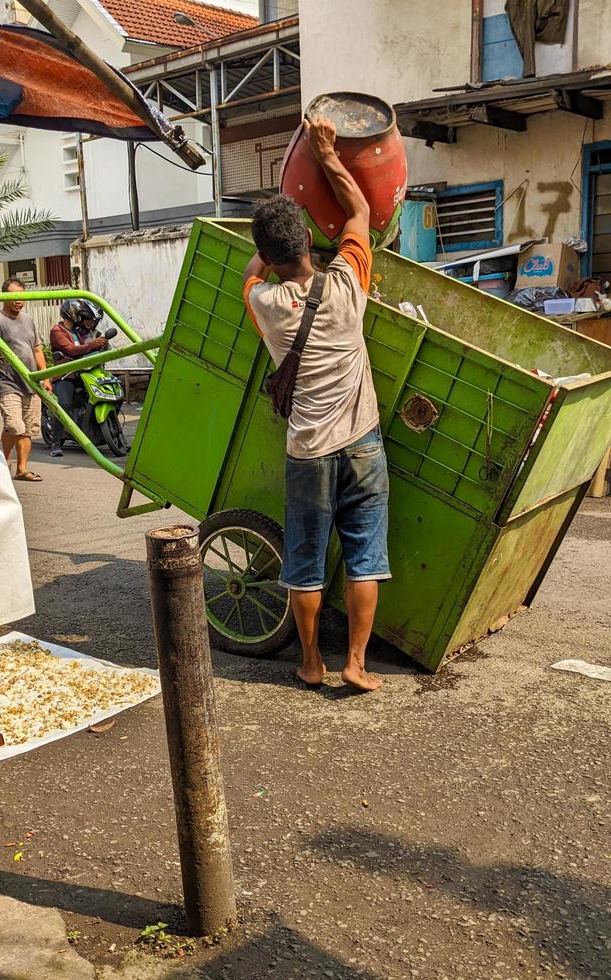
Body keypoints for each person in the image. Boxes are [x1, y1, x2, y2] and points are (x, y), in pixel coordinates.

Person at [242, 116, 389, 694]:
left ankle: (310, 661)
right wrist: (328, 155)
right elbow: (359, 215)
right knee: (365, 557)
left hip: (308, 451)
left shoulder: (266, 304)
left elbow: (250, 275)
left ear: (268, 254)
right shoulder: (349, 282)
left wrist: (265, 250)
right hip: (363, 442)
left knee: (305, 562)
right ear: (308, 241)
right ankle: (355, 662)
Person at [0, 278, 51, 482]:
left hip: (30, 382)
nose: (18, 301)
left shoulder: (28, 320)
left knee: (28, 429)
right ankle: (4, 459)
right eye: (13, 297)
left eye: (21, 297)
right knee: (14, 426)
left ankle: (22, 469)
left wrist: (44, 377)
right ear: (4, 296)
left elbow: (37, 349)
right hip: (7, 381)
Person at [47, 299, 109, 457]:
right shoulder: (57, 331)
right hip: (65, 376)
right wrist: (93, 345)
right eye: (78, 313)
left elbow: (85, 347)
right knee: (64, 404)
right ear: (70, 313)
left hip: (80, 373)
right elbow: (71, 350)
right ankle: (55, 443)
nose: (80, 316)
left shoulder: (76, 331)